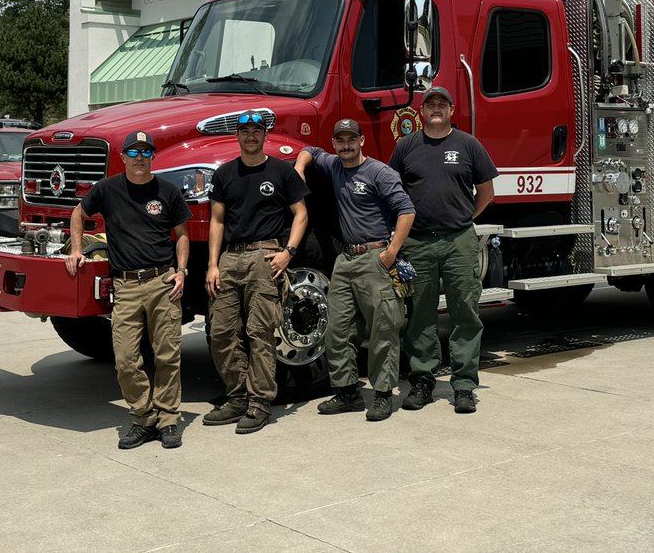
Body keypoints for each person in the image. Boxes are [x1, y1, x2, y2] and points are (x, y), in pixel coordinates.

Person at [64, 129, 190, 450]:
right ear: (123, 157)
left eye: (145, 153)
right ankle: (144, 416)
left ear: (152, 157)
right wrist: (76, 249)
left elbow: (182, 234)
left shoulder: (168, 191)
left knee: (167, 354)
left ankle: (169, 419)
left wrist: (182, 271)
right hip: (126, 285)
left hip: (163, 281)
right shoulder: (107, 190)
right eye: (133, 153)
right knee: (125, 358)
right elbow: (78, 213)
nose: (139, 159)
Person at [295, 118, 415, 421]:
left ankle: (383, 394)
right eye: (340, 140)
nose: (346, 145)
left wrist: (390, 253)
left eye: (351, 139)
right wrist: (298, 169)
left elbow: (406, 210)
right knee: (338, 328)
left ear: (362, 140)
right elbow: (310, 149)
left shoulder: (379, 172)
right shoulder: (334, 165)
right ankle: (347, 391)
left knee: (383, 329)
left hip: (375, 256)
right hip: (345, 260)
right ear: (335, 144)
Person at [389, 87, 497, 414]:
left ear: (451, 110)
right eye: (430, 104)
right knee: (420, 313)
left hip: (459, 240)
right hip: (418, 242)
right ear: (422, 112)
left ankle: (463, 385)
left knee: (464, 310)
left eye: (442, 104)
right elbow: (393, 191)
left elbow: (487, 191)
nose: (436, 109)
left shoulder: (468, 145)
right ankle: (422, 380)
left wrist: (464, 218)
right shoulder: (406, 147)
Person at [204, 111, 308, 434]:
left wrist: (288, 253)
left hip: (266, 256)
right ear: (237, 136)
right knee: (220, 332)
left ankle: (260, 403)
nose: (250, 136)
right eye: (245, 130)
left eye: (256, 130)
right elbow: (217, 221)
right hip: (230, 259)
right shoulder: (224, 175)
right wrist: (212, 264)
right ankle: (236, 397)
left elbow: (301, 214)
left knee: (260, 332)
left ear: (265, 136)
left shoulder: (281, 172)